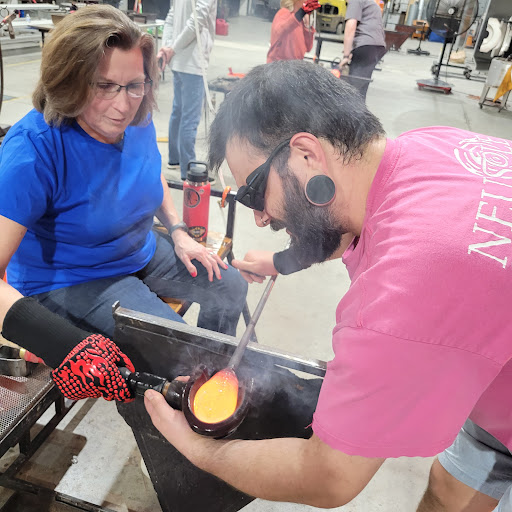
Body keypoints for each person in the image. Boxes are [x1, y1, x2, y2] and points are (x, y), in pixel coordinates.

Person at [144, 60, 512, 511]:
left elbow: (328, 477)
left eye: (255, 193)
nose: (260, 217)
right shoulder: (428, 146)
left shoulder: (403, 297)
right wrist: (281, 260)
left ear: (307, 155)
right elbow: (344, 224)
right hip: (496, 382)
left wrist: (197, 450)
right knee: (448, 493)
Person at [0, 6, 247, 402]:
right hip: (73, 279)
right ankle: (172, 403)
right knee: (176, 354)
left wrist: (178, 231)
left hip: (136, 248)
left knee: (230, 287)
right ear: (69, 81)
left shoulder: (136, 116)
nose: (123, 105)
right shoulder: (35, 150)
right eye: (104, 86)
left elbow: (148, 173)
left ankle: (206, 386)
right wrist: (59, 342)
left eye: (135, 85)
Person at [157, 0, 217, 180]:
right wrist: (172, 49)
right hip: (192, 63)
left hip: (178, 61)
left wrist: (168, 47)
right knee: (189, 119)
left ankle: (175, 159)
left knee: (179, 112)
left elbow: (171, 16)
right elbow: (196, 21)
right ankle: (188, 170)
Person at [339, 0, 386, 100]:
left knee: (353, 90)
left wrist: (346, 56)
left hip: (366, 45)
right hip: (376, 46)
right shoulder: (369, 2)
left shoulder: (355, 1)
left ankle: (353, 108)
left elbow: (351, 26)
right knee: (361, 89)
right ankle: (359, 107)